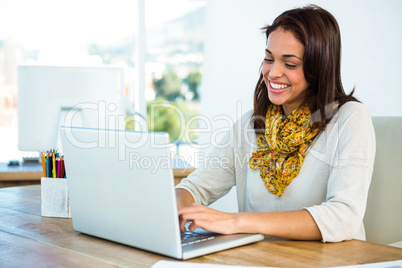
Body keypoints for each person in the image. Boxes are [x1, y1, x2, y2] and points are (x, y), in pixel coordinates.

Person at [175, 4, 376, 243]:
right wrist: (176, 206)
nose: (273, 73)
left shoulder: (350, 118)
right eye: (269, 59)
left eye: (290, 64)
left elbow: (343, 218)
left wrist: (236, 221)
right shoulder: (251, 125)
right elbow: (196, 188)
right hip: (264, 260)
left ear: (319, 67)